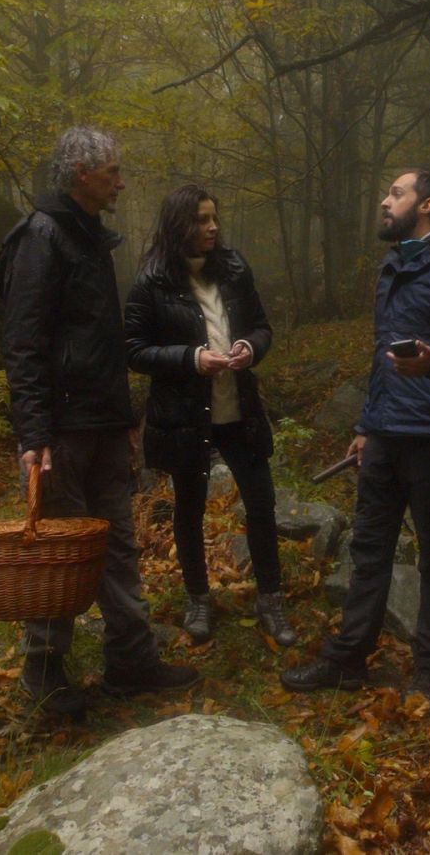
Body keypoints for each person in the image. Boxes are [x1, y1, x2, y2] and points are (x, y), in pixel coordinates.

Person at [0, 126, 200, 719]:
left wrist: (122, 417)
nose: (121, 183)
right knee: (56, 553)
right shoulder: (41, 236)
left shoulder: (90, 238)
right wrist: (34, 434)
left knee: (117, 545)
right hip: (60, 433)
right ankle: (44, 674)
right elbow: (23, 342)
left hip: (103, 426)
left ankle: (131, 661)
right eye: (112, 172)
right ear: (82, 174)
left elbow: (101, 342)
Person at [281, 169, 430, 701]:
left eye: (396, 194)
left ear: (426, 205)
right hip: (385, 431)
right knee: (368, 548)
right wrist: (366, 424)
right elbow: (381, 353)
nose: (384, 202)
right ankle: (348, 659)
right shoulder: (394, 262)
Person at [124, 185, 296, 647]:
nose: (213, 227)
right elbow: (133, 350)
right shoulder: (152, 281)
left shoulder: (234, 269)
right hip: (185, 416)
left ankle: (271, 599)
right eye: (202, 219)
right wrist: (191, 358)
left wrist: (250, 347)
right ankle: (198, 598)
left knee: (261, 502)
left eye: (214, 217)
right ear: (179, 224)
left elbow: (261, 327)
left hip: (240, 410)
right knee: (189, 508)